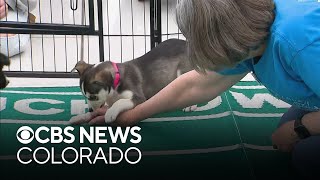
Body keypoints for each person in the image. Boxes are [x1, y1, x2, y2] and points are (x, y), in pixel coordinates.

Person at [73, 0, 320, 177]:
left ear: (223, 37)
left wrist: (300, 128)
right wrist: (131, 115)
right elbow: (196, 84)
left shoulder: (298, 42)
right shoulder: (250, 35)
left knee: (305, 155)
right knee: (290, 136)